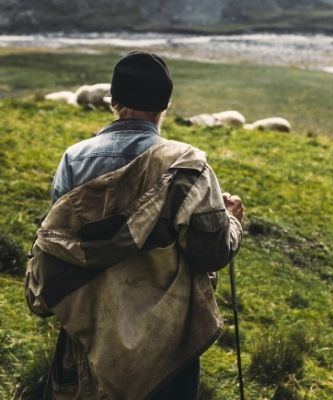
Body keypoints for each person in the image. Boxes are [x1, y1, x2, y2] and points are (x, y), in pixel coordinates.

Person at [24, 51, 244, 399]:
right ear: (165, 105)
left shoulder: (74, 160)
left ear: (113, 101)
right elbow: (211, 252)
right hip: (167, 347)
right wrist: (231, 221)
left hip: (91, 336)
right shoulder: (188, 166)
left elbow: (59, 239)